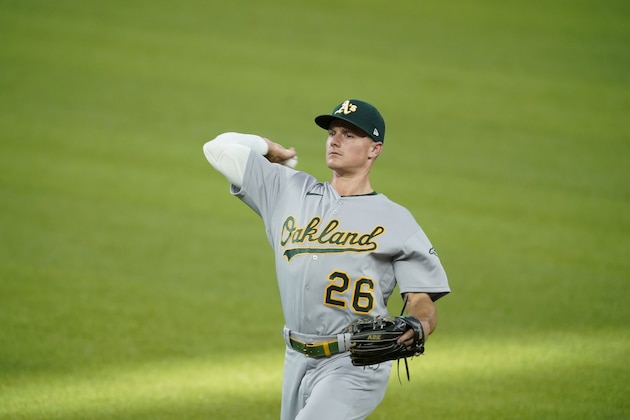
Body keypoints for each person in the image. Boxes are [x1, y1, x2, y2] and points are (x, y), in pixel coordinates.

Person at [203, 99, 450, 420]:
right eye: (333, 132)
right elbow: (217, 148)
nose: (335, 140)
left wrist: (419, 323)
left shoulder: (398, 221)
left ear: (374, 149)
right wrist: (266, 146)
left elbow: (422, 299)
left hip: (354, 363)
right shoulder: (286, 190)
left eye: (349, 135)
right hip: (295, 358)